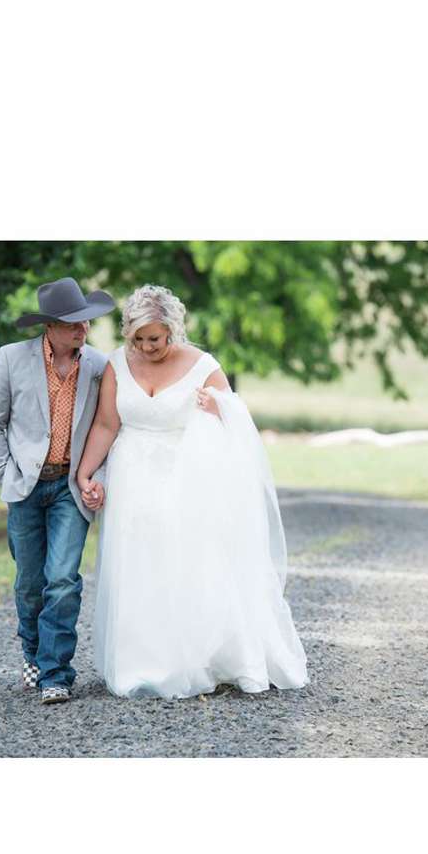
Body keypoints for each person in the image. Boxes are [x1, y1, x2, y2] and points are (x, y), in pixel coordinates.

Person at [75, 285, 309, 697]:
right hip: (132, 480)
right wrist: (85, 473)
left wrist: (219, 409)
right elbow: (107, 425)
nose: (147, 348)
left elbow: (238, 422)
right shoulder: (116, 365)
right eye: (139, 339)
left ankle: (200, 657)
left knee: (186, 563)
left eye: (155, 339)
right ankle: (144, 663)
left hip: (185, 478)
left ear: (172, 331)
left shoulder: (203, 366)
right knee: (138, 567)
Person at [0, 278, 114, 703]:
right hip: (25, 487)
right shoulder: (10, 359)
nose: (83, 330)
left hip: (69, 489)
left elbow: (108, 428)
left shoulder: (98, 367)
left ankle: (56, 673)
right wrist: (4, 473)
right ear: (50, 327)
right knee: (30, 583)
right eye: (73, 324)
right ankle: (33, 657)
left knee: (62, 579)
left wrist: (99, 479)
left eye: (86, 322)